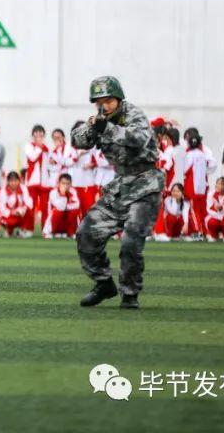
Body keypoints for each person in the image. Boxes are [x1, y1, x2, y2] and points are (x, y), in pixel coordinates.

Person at [70, 76, 164, 310]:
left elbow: (140, 138)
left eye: (109, 101)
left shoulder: (133, 114)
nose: (105, 106)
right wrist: (92, 128)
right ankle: (104, 283)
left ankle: (130, 294)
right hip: (121, 185)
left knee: (131, 240)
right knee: (86, 233)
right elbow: (77, 141)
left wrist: (107, 128)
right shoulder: (100, 119)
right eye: (99, 102)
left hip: (146, 183)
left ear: (119, 99)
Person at [43, 173, 80, 239]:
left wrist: (67, 207)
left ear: (71, 184)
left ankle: (70, 233)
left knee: (75, 211)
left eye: (68, 183)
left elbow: (77, 205)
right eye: (63, 183)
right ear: (59, 183)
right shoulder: (53, 193)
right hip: (55, 221)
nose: (65, 186)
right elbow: (61, 208)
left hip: (66, 219)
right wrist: (63, 195)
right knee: (57, 211)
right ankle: (51, 232)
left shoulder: (73, 191)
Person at [0, 171, 32, 237]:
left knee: (29, 211)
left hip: (20, 214)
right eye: (11, 181)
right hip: (9, 216)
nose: (13, 183)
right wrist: (12, 212)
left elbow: (29, 202)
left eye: (15, 181)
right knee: (5, 220)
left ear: (19, 181)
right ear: (8, 182)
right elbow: (1, 209)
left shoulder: (23, 188)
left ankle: (25, 230)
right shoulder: (2, 192)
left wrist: (22, 210)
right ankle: (9, 230)